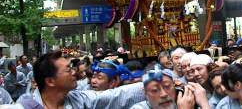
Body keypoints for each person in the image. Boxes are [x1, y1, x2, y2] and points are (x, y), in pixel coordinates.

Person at [16, 50, 145, 109]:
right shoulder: (25, 106)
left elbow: (115, 96)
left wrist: (150, 83)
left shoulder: (78, 100)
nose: (74, 72)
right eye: (68, 69)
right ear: (50, 81)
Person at [130, 69, 211, 109]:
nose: (164, 94)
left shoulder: (184, 103)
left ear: (174, 86)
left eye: (167, 86)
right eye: (154, 90)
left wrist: (204, 104)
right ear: (145, 93)